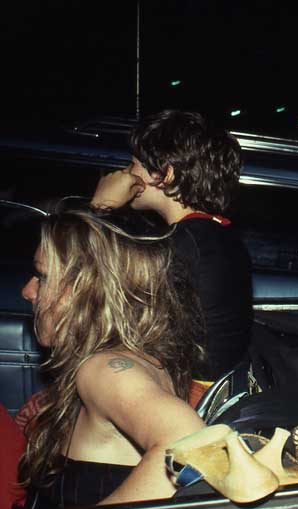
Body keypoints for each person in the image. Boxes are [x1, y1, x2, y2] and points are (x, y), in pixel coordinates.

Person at [16, 209, 209, 509]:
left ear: (87, 290)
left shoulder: (105, 369)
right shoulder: (137, 358)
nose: (27, 291)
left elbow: (189, 441)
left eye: (42, 277)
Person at [90, 110, 252, 381]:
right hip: (219, 384)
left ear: (164, 174)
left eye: (133, 164)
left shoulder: (181, 243)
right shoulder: (217, 233)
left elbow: (81, 278)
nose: (125, 173)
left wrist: (101, 206)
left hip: (191, 391)